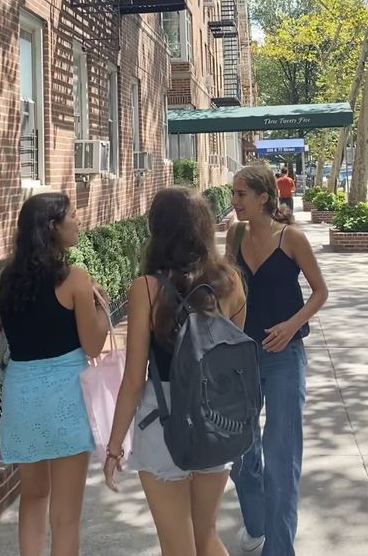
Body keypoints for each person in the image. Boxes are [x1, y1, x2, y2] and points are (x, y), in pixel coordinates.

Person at [103, 187, 247, 556]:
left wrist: (115, 444)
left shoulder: (147, 289)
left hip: (162, 419)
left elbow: (134, 378)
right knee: (207, 537)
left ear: (157, 230)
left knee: (176, 546)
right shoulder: (230, 282)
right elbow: (235, 359)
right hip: (215, 417)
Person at [0, 193, 109, 556]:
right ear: (53, 227)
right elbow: (94, 346)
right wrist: (102, 307)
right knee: (65, 517)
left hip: (22, 396)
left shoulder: (5, 279)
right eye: (73, 216)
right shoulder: (75, 280)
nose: (78, 222)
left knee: (33, 498)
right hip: (67, 397)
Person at [227, 164, 328, 556]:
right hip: (240, 358)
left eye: (240, 195)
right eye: (234, 194)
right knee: (241, 454)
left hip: (284, 357)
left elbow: (320, 292)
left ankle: (280, 549)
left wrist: (292, 324)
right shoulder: (234, 235)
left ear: (263, 197)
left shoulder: (292, 239)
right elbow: (230, 292)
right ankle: (257, 525)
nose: (234, 202)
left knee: (281, 457)